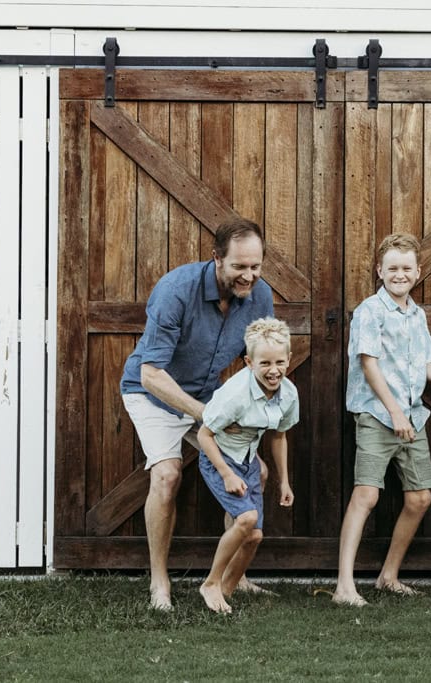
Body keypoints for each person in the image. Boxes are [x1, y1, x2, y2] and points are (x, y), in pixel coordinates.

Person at [120, 218, 274, 611]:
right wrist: (207, 414)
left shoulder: (261, 297)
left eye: (255, 266)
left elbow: (257, 359)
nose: (249, 275)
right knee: (168, 474)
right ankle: (159, 581)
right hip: (153, 393)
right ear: (217, 258)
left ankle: (230, 577)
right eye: (240, 267)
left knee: (256, 472)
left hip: (208, 397)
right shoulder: (176, 289)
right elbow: (150, 372)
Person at [333, 233, 431, 607]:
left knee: (420, 497)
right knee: (367, 494)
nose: (399, 274)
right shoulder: (369, 311)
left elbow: (423, 366)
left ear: (418, 272)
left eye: (406, 268)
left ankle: (388, 576)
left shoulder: (416, 314)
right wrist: (392, 410)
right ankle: (344, 586)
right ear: (380, 271)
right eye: (392, 268)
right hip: (378, 415)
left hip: (412, 418)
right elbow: (368, 362)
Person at [196, 318, 298, 614]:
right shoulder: (235, 394)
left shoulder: (288, 394)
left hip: (247, 459)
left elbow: (279, 436)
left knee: (254, 535)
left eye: (279, 362)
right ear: (249, 362)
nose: (273, 370)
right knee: (246, 518)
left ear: (289, 359)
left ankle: (225, 592)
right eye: (264, 363)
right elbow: (204, 435)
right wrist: (227, 474)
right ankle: (211, 583)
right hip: (219, 459)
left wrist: (284, 481)